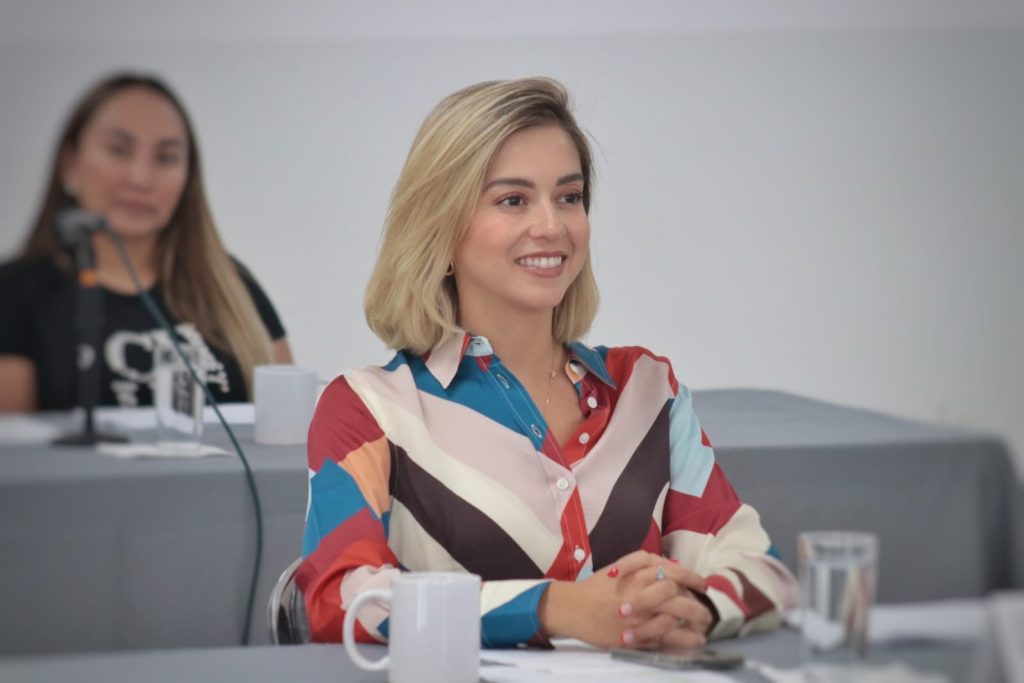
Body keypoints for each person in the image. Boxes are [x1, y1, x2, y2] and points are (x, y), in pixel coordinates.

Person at [298, 77, 797, 650]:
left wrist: (696, 608)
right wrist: (554, 609)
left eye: (569, 197)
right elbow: (341, 597)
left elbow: (764, 570)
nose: (553, 226)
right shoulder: (367, 408)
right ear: (441, 228)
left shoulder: (645, 387)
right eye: (513, 200)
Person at [0, 73, 292, 412]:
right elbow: (13, 439)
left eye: (166, 158)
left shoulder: (230, 284)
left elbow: (289, 427)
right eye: (118, 150)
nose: (140, 178)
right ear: (70, 164)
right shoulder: (16, 291)